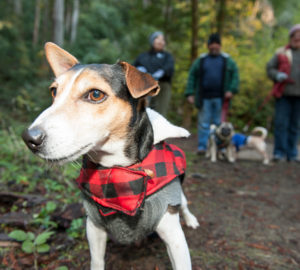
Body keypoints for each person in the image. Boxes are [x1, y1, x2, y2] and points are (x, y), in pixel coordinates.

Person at [184, 33, 239, 154]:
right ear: (208, 46)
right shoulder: (201, 60)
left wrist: (231, 90)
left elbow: (235, 76)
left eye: (217, 44)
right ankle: (203, 147)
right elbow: (192, 77)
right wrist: (190, 93)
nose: (214, 46)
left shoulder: (227, 60)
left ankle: (220, 147)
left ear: (220, 45)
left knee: (220, 124)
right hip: (204, 98)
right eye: (212, 44)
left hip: (221, 98)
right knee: (203, 123)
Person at [266, 24, 300, 162]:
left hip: (299, 96)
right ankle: (278, 152)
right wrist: (277, 75)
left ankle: (292, 153)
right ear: (291, 37)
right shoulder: (281, 52)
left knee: (295, 125)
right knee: (281, 124)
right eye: (295, 35)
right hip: (283, 94)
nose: (298, 37)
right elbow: (269, 68)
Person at [134, 31, 174, 117]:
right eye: (157, 38)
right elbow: (134, 67)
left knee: (160, 113)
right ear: (152, 41)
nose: (160, 41)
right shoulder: (143, 56)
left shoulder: (167, 56)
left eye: (162, 39)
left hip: (162, 86)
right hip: (145, 86)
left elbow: (169, 68)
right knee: (143, 111)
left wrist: (161, 72)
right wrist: (140, 70)